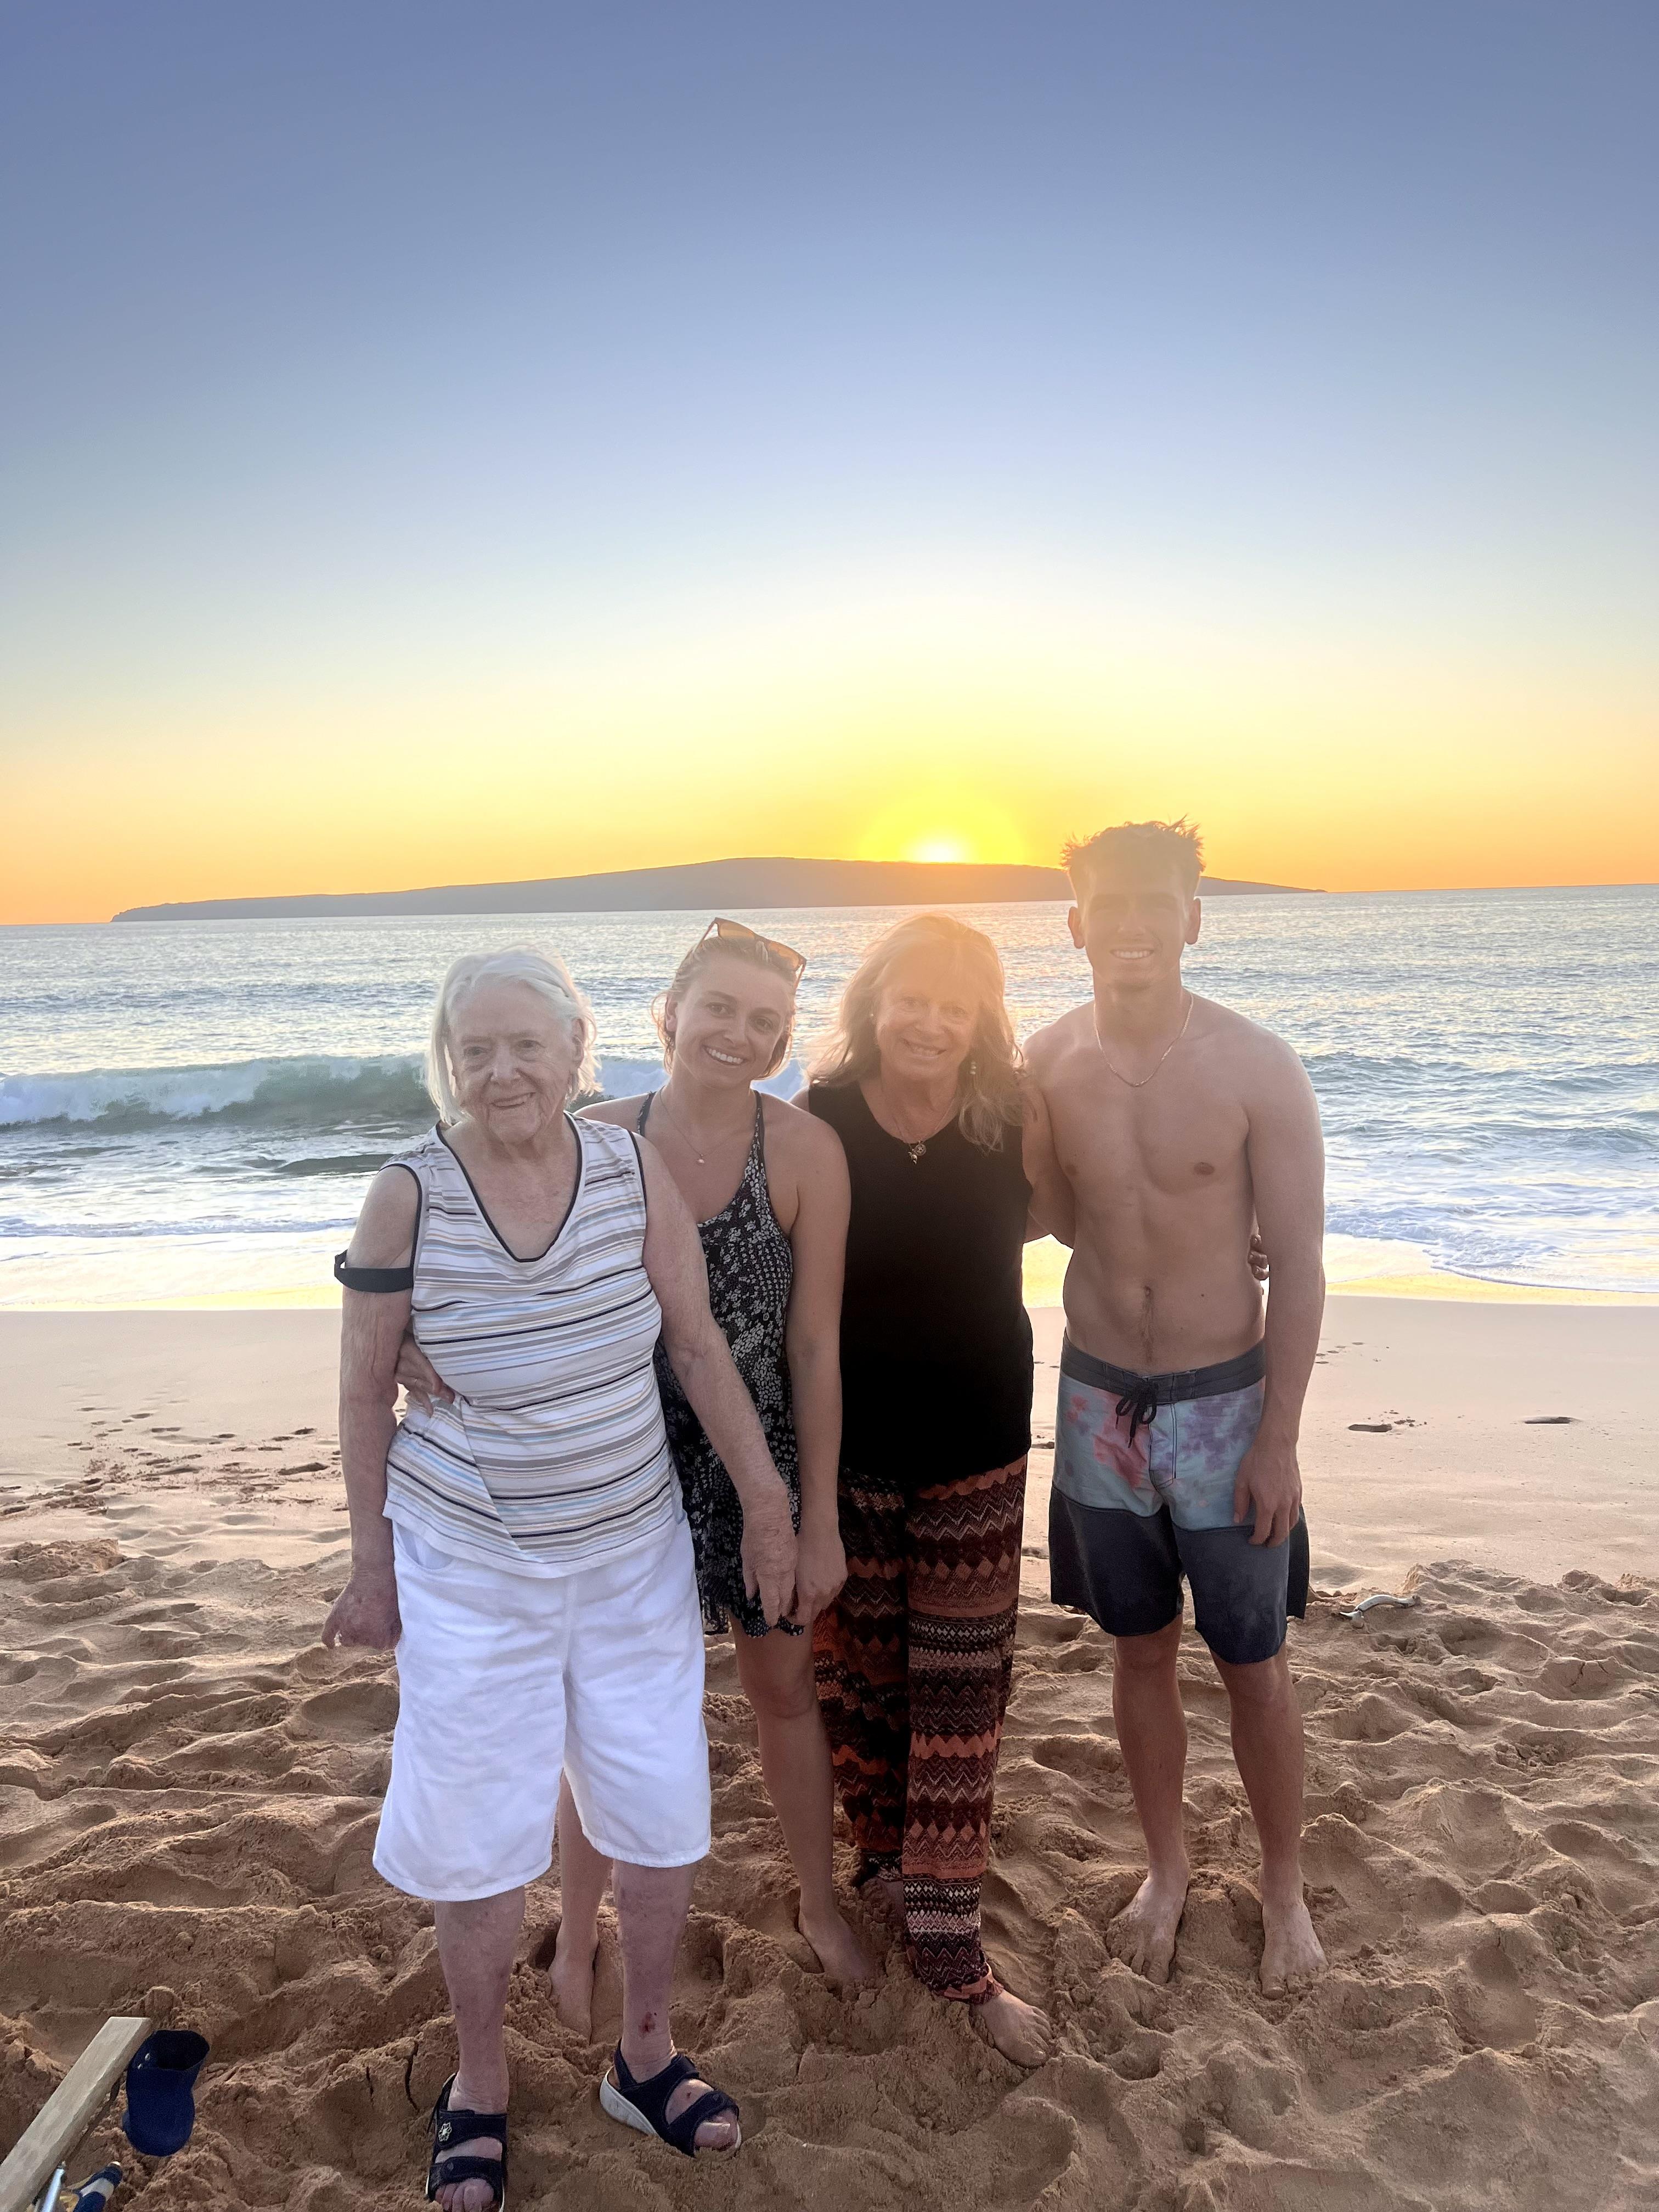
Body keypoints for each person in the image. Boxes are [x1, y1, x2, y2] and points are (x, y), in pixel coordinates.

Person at [323, 945, 798, 2212]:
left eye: (526, 1045)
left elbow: (695, 1347)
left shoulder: (631, 1168)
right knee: (480, 1832)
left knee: (656, 1807)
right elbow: (367, 1390)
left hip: (632, 1551)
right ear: (447, 1060)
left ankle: (644, 2055)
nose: (501, 1070)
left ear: (578, 1052)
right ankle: (479, 2082)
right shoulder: (406, 1199)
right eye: (474, 1049)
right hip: (472, 1565)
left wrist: (765, 1503)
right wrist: (373, 1567)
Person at [545, 917, 876, 2009]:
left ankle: (816, 1903)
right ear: (669, 1016)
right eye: (719, 1010)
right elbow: (529, 1307)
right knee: (607, 1711)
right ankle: (576, 1928)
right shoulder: (592, 1139)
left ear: (785, 1040)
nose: (739, 1034)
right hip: (618, 1468)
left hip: (757, 1466)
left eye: (766, 1021)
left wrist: (815, 1516)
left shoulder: (804, 1152)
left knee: (783, 1689)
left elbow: (817, 1349)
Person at [1023, 820, 1328, 1995]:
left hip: (1224, 1406)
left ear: (1193, 918)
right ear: (1077, 923)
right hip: (1100, 1397)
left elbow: (1298, 1264)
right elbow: (1042, 1212)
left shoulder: (1259, 1068)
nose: (1136, 927)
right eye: (1113, 906)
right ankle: (1165, 1867)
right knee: (1137, 1650)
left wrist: (1281, 1439)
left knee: (1253, 1660)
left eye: (1161, 905)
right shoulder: (1044, 1063)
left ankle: (1285, 1888)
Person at [805, 913, 1058, 2068]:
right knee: (859, 1681)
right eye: (912, 996)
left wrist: (1242, 1238)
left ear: (980, 1020)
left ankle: (950, 1940)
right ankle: (882, 1859)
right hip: (846, 1449)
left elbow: (1094, 1209)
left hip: (976, 1444)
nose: (930, 1019)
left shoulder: (1013, 1119)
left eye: (955, 1003)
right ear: (875, 1002)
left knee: (958, 1695)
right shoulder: (820, 1120)